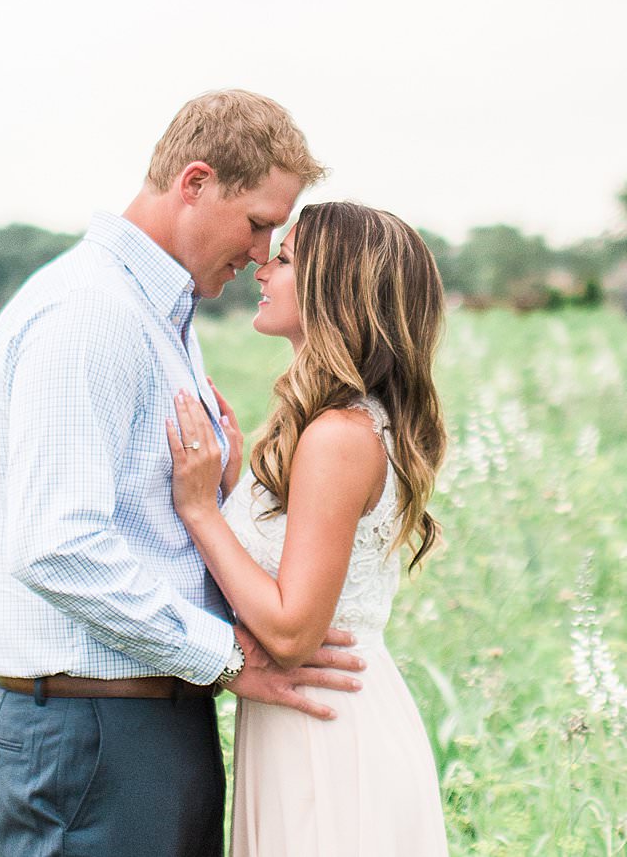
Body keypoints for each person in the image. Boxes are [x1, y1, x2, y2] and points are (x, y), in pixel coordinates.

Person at [0, 90, 366, 857]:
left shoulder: (158, 316)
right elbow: (57, 542)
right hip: (92, 732)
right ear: (194, 181)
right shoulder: (91, 313)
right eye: (257, 222)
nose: (262, 251)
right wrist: (224, 656)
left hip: (143, 727)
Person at [166, 200, 449, 857]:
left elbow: (292, 630)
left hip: (330, 735)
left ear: (335, 289)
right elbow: (299, 557)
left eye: (287, 257)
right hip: (311, 722)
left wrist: (203, 509)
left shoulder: (338, 435)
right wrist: (238, 490)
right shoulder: (338, 424)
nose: (263, 266)